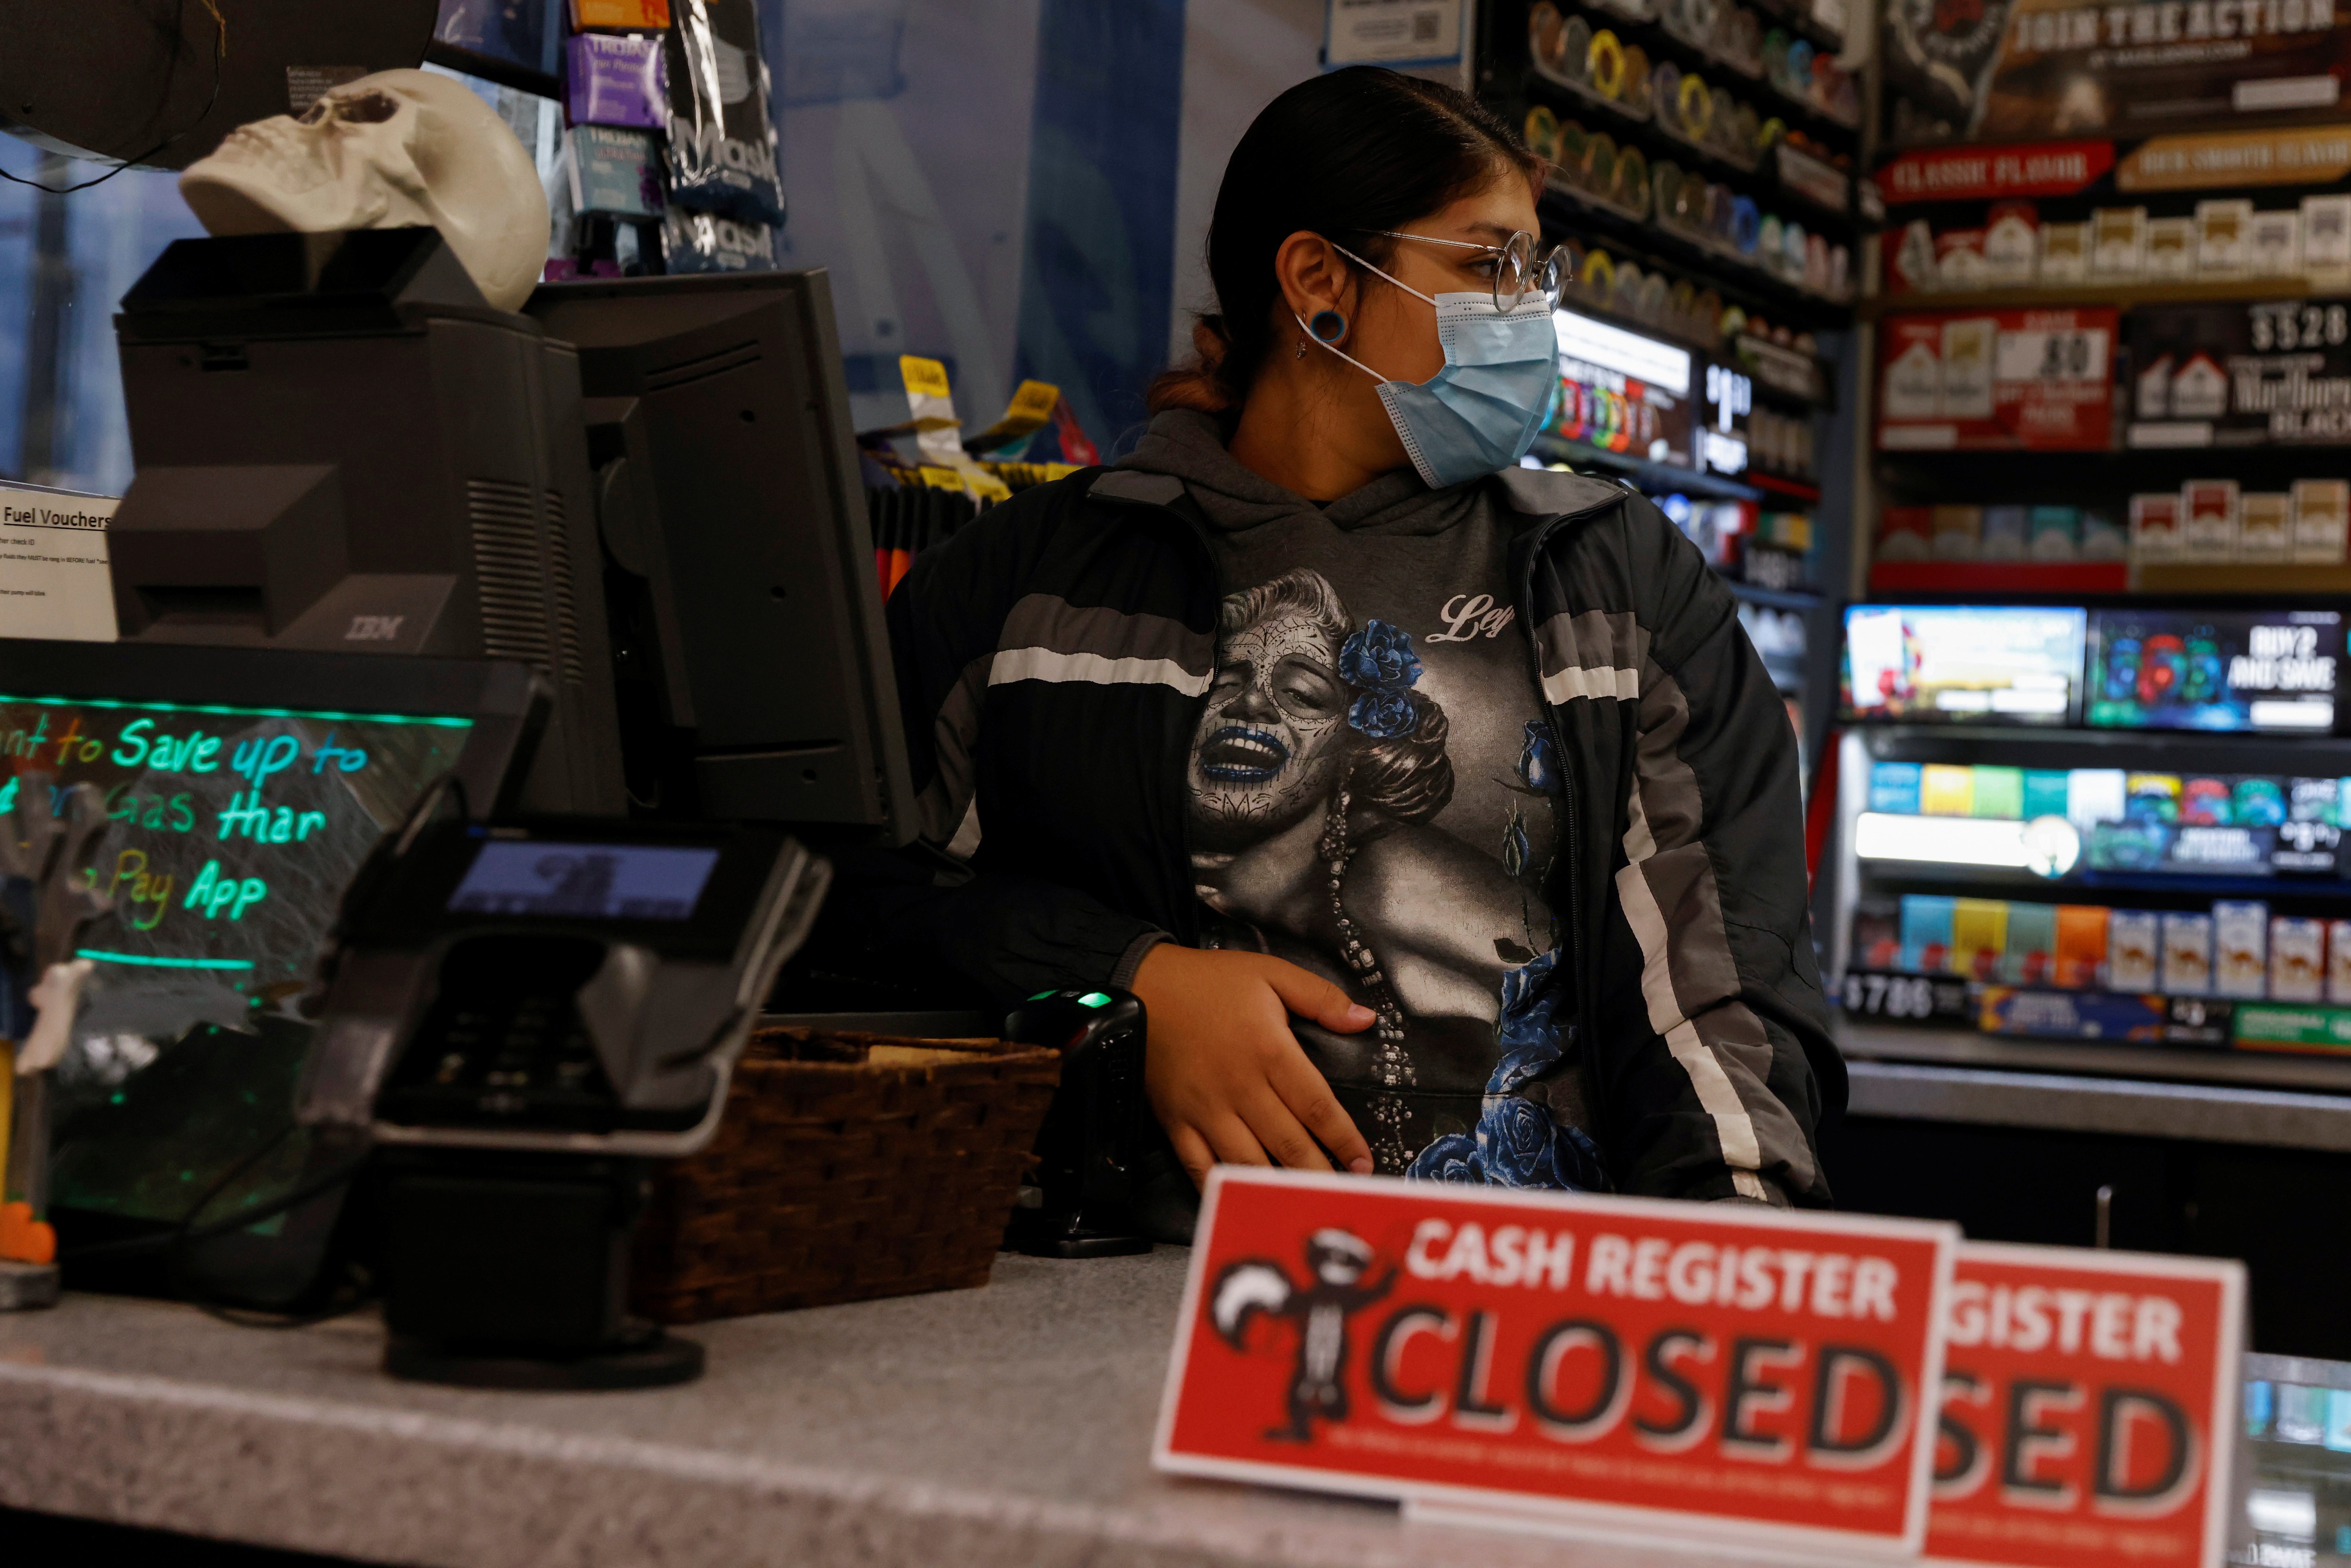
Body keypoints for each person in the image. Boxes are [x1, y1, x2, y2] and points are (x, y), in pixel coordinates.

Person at [824, 65, 1841, 1219]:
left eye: (1533, 271)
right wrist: (1127, 980)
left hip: (1526, 1289)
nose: (1526, 312)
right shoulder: (1039, 582)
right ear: (1319, 284)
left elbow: (1723, 982)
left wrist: (1735, 1255)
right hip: (1122, 1291)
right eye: (1483, 264)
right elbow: (846, 888)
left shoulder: (1617, 579)